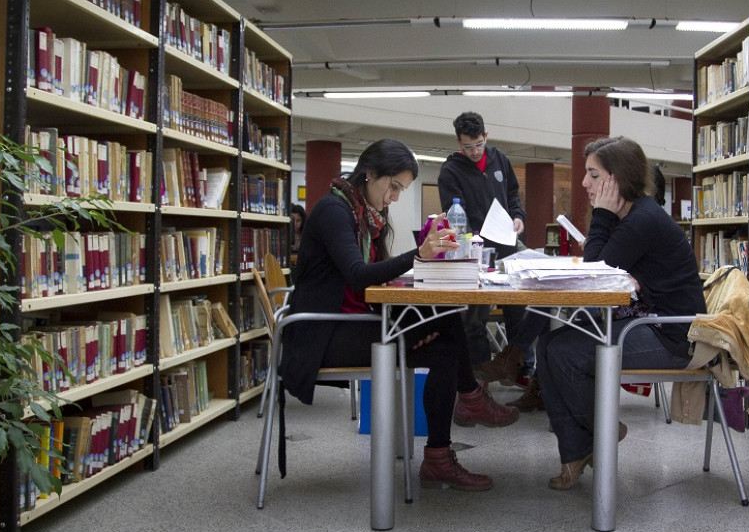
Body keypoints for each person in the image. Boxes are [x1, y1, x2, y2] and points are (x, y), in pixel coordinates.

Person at [281, 139, 518, 491]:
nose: (394, 197)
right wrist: (418, 256)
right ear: (370, 173)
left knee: (446, 327)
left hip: (354, 321)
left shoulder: (366, 216)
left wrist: (420, 260)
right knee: (446, 335)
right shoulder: (335, 210)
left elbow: (373, 278)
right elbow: (359, 274)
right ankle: (465, 408)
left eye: (401, 190)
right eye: (393, 187)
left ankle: (446, 443)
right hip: (324, 334)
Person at [537, 136, 706, 490]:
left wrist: (600, 215)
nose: (584, 183)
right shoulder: (630, 215)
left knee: (565, 353)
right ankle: (579, 450)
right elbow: (605, 270)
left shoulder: (642, 219)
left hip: (672, 336)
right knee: (547, 344)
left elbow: (597, 274)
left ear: (618, 178)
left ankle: (600, 432)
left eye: (593, 175)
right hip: (643, 320)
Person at [437, 111, 534, 384]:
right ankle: (479, 375)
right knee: (474, 316)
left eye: (478, 144)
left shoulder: (499, 158)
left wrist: (518, 217)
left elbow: (513, 194)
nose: (474, 151)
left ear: (486, 136)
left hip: (507, 243)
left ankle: (520, 369)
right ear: (458, 142)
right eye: (467, 146)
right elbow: (455, 215)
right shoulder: (451, 171)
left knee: (520, 309)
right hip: (476, 249)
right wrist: (472, 237)